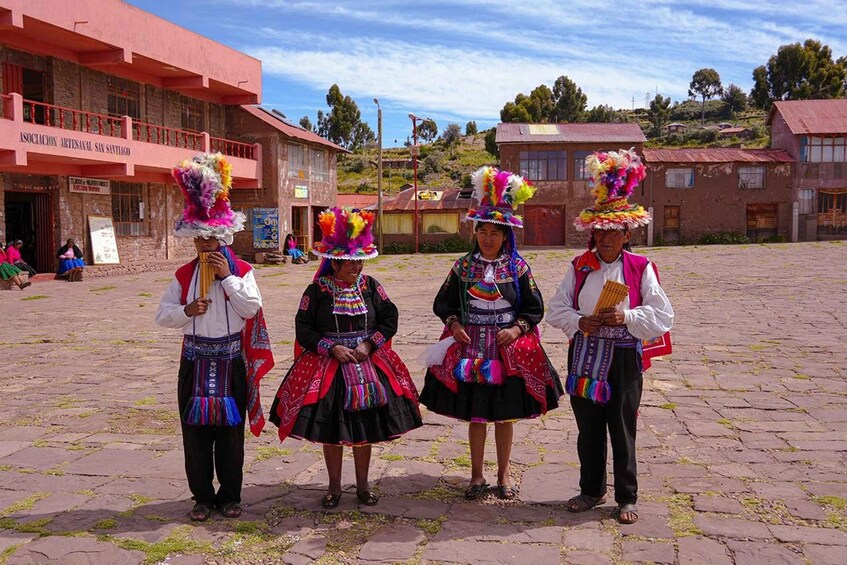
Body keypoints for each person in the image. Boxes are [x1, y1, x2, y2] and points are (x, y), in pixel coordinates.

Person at [420, 166, 563, 501]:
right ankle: (476, 476)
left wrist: (516, 329)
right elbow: (443, 303)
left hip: (505, 351)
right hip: (470, 349)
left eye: (494, 234)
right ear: (476, 233)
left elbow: (534, 306)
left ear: (504, 236)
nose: (488, 238)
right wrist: (455, 325)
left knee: (504, 416)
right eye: (483, 232)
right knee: (477, 415)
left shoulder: (517, 268)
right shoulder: (462, 267)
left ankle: (504, 475)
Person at [547, 149, 674, 525]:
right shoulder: (580, 267)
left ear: (626, 233)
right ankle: (591, 489)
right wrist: (579, 321)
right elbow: (556, 308)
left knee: (622, 426)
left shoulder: (640, 268)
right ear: (592, 232)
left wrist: (627, 316)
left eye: (612, 231)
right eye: (599, 231)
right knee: (588, 428)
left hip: (622, 358)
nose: (604, 237)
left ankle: (627, 497)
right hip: (585, 354)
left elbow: (664, 315)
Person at [269, 207, 421, 509]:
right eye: (351, 261)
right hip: (329, 366)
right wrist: (330, 348)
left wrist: (369, 345)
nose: (357, 266)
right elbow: (304, 328)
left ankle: (363, 486)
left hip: (368, 364)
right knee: (332, 430)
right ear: (335, 262)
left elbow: (389, 319)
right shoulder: (317, 291)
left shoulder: (372, 287)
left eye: (360, 260)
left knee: (365, 430)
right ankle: (334, 487)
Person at [156, 153, 275, 522]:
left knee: (229, 435)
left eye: (211, 239)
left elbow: (251, 308)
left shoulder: (241, 269)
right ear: (192, 241)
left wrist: (228, 278)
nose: (206, 246)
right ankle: (202, 498)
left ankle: (231, 496)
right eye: (199, 240)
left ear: (222, 236)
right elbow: (162, 316)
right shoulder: (182, 275)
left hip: (229, 362)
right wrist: (186, 311)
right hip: (194, 362)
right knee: (195, 436)